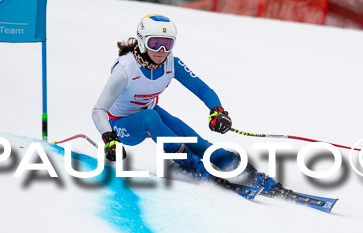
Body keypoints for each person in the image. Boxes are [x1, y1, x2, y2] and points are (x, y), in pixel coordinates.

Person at [92, 14, 277, 192]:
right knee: (151, 117)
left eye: (167, 44)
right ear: (142, 42)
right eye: (155, 44)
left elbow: (202, 89)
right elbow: (99, 110)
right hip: (121, 125)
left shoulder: (171, 64)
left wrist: (217, 111)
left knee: (195, 141)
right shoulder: (124, 70)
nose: (161, 51)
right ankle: (189, 163)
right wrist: (109, 138)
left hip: (152, 115)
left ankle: (240, 170)